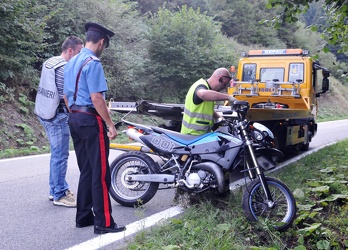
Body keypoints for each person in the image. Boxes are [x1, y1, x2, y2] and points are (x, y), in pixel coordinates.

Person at [63, 22, 126, 234]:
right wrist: (110, 124)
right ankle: (104, 223)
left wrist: (75, 112)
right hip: (91, 120)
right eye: (104, 46)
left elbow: (65, 94)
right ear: (101, 42)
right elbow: (97, 97)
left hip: (74, 117)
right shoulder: (93, 62)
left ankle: (83, 217)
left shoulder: (71, 62)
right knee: (100, 173)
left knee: (87, 170)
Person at [34, 36, 84, 207]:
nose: (79, 56)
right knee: (61, 155)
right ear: (70, 51)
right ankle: (60, 194)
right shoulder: (64, 67)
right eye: (78, 52)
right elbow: (66, 96)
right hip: (57, 116)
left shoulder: (51, 61)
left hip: (44, 111)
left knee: (56, 153)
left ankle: (54, 189)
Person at [181, 68, 237, 135]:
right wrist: (228, 97)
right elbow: (202, 94)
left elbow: (205, 109)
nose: (224, 87)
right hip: (193, 136)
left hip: (201, 136)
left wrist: (219, 118)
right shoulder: (201, 86)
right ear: (221, 79)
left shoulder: (208, 89)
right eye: (225, 84)